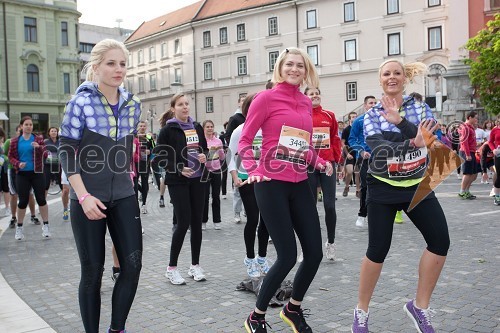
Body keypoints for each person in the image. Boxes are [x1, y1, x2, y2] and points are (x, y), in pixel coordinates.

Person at [351, 59, 450, 333]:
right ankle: (361, 311)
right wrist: (411, 140)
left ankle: (419, 307)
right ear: (380, 79)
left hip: (416, 185)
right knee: (377, 250)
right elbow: (379, 151)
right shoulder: (370, 114)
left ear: (405, 78)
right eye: (386, 74)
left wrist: (401, 122)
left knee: (440, 241)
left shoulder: (420, 107)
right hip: (383, 187)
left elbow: (432, 142)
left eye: (397, 73)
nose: (392, 77)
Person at [239, 47, 333, 333]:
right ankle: (256, 316)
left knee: (314, 253)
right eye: (289, 64)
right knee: (288, 256)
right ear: (280, 68)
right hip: (270, 184)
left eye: (300, 66)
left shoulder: (306, 102)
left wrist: (320, 162)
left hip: (300, 183)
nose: (294, 69)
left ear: (306, 71)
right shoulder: (265, 99)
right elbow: (244, 141)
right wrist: (253, 170)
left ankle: (292, 310)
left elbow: (301, 146)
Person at [58, 39, 143, 333]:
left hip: (124, 195)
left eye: (122, 63)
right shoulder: (79, 102)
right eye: (111, 63)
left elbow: (128, 150)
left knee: (132, 267)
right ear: (96, 67)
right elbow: (66, 150)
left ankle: (116, 329)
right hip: (87, 198)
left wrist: (131, 182)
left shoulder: (134, 104)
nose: (118, 69)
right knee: (93, 273)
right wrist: (82, 197)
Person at [156, 93, 208, 285]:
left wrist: (204, 156)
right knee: (183, 222)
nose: (185, 107)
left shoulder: (197, 127)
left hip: (198, 180)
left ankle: (195, 265)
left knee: (197, 222)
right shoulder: (168, 130)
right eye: (181, 104)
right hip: (178, 181)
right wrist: (178, 168)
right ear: (173, 108)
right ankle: (171, 268)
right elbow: (160, 157)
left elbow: (203, 149)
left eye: (187, 104)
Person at [227, 93, 271, 278]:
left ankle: (262, 258)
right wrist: (235, 177)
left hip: (267, 179)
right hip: (247, 179)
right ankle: (250, 258)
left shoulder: (268, 128)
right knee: (253, 219)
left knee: (266, 221)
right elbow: (230, 156)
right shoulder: (240, 130)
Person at [305, 87, 341, 261]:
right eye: (311, 93)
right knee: (309, 208)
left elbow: (335, 138)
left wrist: (336, 160)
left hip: (328, 165)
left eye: (317, 92)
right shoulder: (302, 115)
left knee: (329, 206)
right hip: (308, 165)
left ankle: (331, 242)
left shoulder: (329, 115)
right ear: (305, 97)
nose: (314, 95)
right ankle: (308, 247)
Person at [8, 116, 50, 240]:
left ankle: (46, 225)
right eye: (26, 124)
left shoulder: (38, 139)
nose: (29, 127)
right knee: (22, 201)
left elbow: (46, 154)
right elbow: (10, 157)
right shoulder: (15, 141)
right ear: (21, 126)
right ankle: (19, 228)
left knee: (41, 199)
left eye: (31, 125)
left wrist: (39, 147)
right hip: (22, 174)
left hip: (37, 173)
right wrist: (17, 164)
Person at [349, 95, 377, 228]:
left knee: (381, 186)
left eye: (375, 103)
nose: (373, 105)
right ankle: (362, 214)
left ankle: (379, 215)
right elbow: (352, 140)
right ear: (365, 105)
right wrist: (361, 151)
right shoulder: (358, 121)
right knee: (366, 186)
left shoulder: (382, 120)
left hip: (381, 157)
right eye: (370, 103)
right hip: (365, 158)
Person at [4, 125, 39, 228]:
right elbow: (6, 155)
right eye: (20, 130)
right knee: (13, 194)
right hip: (13, 170)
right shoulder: (10, 142)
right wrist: (16, 162)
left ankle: (33, 215)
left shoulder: (30, 141)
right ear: (17, 131)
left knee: (30, 194)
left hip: (26, 171)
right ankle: (13, 217)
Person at [223, 96, 246, 223]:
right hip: (238, 157)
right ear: (239, 103)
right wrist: (236, 148)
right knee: (238, 186)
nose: (244, 103)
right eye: (242, 101)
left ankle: (247, 210)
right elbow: (228, 136)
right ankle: (237, 212)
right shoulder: (235, 119)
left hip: (252, 157)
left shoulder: (253, 116)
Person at [44, 127, 70, 221]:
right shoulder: (46, 142)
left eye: (55, 131)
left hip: (59, 165)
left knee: (64, 188)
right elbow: (43, 152)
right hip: (48, 165)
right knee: (45, 186)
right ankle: (43, 204)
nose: (54, 132)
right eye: (52, 131)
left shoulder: (61, 141)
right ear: (49, 133)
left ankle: (66, 207)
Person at [202, 120, 225, 230]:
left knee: (216, 196)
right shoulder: (202, 141)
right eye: (207, 127)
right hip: (205, 170)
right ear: (204, 128)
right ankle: (203, 220)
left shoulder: (218, 141)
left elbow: (222, 157)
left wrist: (220, 150)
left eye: (211, 126)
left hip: (216, 169)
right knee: (204, 197)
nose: (210, 128)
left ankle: (217, 220)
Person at [458, 111, 479, 199]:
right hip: (466, 152)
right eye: (475, 118)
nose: (476, 119)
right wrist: (467, 154)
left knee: (474, 173)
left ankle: (467, 190)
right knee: (467, 173)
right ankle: (462, 192)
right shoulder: (465, 127)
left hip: (472, 151)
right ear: (470, 117)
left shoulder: (471, 127)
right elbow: (464, 142)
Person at [156, 110, 175, 208]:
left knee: (165, 178)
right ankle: (162, 197)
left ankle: (163, 197)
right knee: (164, 178)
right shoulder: (164, 130)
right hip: (165, 160)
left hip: (172, 159)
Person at [136, 121, 155, 214]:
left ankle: (144, 204)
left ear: (146, 127)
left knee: (145, 183)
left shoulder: (149, 137)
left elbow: (154, 149)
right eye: (141, 126)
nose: (142, 127)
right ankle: (136, 204)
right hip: (135, 163)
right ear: (138, 127)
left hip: (144, 163)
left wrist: (150, 153)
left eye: (144, 126)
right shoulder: (134, 136)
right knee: (134, 183)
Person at [341, 111, 360, 197]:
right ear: (349, 119)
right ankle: (347, 186)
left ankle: (358, 190)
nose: (354, 118)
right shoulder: (346, 129)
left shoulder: (360, 128)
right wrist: (347, 153)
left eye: (355, 117)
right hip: (349, 152)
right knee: (349, 171)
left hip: (358, 152)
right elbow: (342, 143)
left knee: (357, 172)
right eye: (352, 117)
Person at [489, 115, 500, 205]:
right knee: (499, 175)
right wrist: (493, 149)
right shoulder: (495, 130)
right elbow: (490, 141)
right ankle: (497, 197)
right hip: (498, 154)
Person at [0, 127, 11, 217]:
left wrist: (5, 157)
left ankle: (7, 208)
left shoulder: (5, 144)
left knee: (6, 189)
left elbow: (8, 155)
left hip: (4, 169)